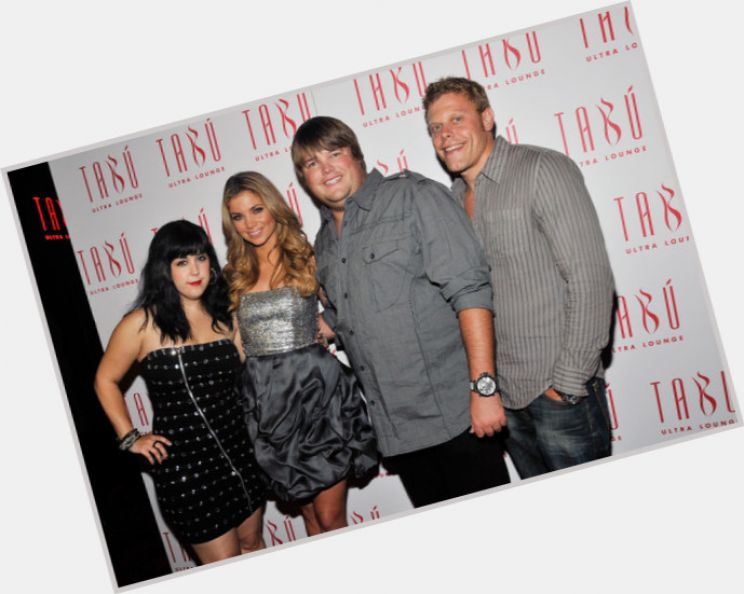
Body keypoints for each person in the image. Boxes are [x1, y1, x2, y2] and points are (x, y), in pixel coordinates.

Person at [290, 116, 510, 508]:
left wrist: (484, 389)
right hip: (398, 433)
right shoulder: (323, 243)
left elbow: (471, 292)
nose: (325, 169)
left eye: (334, 154)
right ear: (303, 178)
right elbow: (348, 314)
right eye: (311, 163)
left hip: (458, 418)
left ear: (356, 155)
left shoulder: (414, 197)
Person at [423, 77, 615, 478]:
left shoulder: (541, 168)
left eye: (457, 119)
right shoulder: (452, 201)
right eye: (436, 127)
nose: (445, 135)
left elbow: (591, 279)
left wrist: (567, 383)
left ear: (487, 118)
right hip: (504, 401)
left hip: (559, 392)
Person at [94, 220, 267, 564]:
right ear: (165, 269)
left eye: (201, 258)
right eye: (182, 262)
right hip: (188, 473)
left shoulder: (225, 316)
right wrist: (130, 438)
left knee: (253, 548)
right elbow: (104, 380)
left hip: (240, 454)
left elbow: (252, 373)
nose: (195, 270)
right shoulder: (142, 324)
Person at [221, 170, 378, 535]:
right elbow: (238, 344)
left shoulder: (306, 257)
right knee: (308, 517)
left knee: (330, 518)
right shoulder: (235, 274)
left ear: (273, 207)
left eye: (257, 209)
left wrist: (323, 327)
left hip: (315, 398)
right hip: (270, 406)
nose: (250, 223)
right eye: (238, 216)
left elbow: (348, 306)